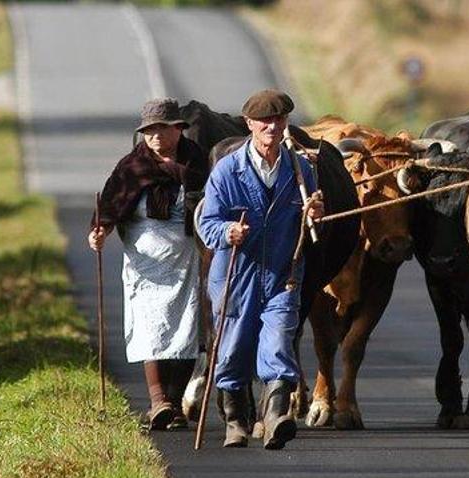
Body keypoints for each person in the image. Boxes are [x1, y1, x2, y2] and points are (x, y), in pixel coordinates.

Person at [198, 89, 324, 449]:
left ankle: (275, 418)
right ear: (250, 124)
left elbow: (312, 214)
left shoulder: (299, 170)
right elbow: (207, 225)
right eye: (264, 121)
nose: (272, 126)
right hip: (236, 276)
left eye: (279, 120)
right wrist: (228, 231)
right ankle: (235, 421)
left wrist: (315, 212)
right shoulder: (227, 171)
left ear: (286, 123)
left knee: (279, 341)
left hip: (283, 274)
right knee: (234, 350)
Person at [88, 97, 209, 431]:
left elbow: (211, 206)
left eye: (162, 129)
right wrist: (99, 232)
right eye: (149, 131)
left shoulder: (197, 162)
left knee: (186, 328)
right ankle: (159, 403)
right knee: (150, 327)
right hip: (144, 261)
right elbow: (110, 206)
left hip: (186, 257)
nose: (155, 137)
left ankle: (177, 404)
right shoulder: (132, 166)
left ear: (178, 129)